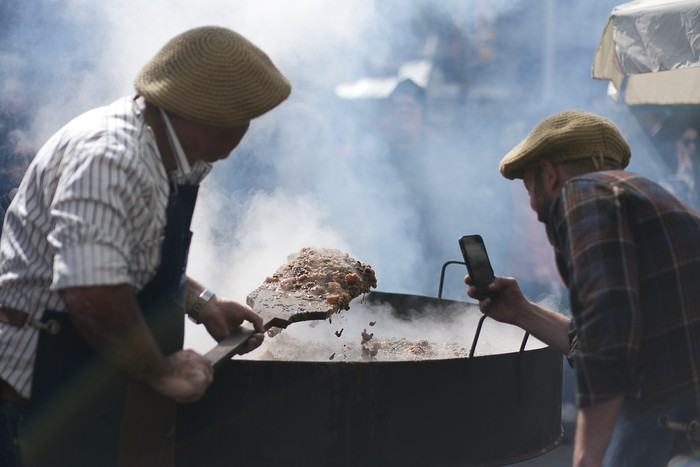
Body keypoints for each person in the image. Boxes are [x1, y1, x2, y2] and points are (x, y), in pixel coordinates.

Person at [0, 25, 291, 467]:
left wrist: (203, 301)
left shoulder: (170, 154)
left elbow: (130, 257)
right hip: (39, 387)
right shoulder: (110, 158)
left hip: (99, 380)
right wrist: (162, 372)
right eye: (244, 117)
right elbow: (92, 292)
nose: (246, 130)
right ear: (209, 116)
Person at [465, 110, 700, 466]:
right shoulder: (642, 194)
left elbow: (608, 338)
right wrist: (523, 311)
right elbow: (604, 337)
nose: (534, 209)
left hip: (659, 417)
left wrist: (586, 458)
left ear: (549, 173)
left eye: (529, 188)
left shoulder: (582, 194)